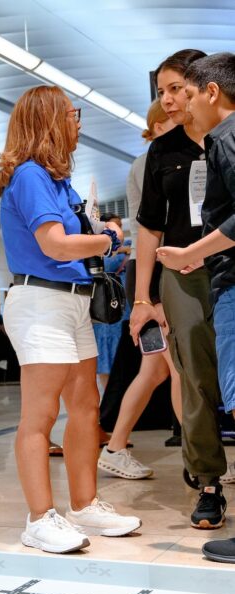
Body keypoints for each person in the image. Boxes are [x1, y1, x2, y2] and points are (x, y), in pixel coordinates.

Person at [0, 85, 141, 554]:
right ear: (50, 120)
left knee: (85, 407)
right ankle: (39, 518)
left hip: (74, 301)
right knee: (39, 415)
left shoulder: (58, 181)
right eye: (72, 114)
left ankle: (84, 503)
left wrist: (100, 235)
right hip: (41, 302)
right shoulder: (31, 176)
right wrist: (109, 241)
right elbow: (54, 244)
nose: (78, 122)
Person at [130, 49, 231, 529]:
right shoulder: (162, 152)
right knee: (193, 379)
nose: (168, 100)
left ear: (201, 89)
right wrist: (142, 298)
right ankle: (208, 481)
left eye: (176, 89)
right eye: (161, 92)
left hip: (230, 265)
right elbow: (148, 228)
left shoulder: (225, 139)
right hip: (183, 276)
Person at [156, 52, 235, 560]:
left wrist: (192, 252)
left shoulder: (226, 138)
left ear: (209, 92)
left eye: (186, 91)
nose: (178, 102)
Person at [98, 101, 180, 480]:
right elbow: (153, 229)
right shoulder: (154, 160)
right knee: (175, 371)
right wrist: (154, 297)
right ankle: (203, 460)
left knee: (156, 373)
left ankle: (115, 447)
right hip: (154, 274)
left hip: (153, 273)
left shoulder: (156, 157)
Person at [92, 214, 128, 393]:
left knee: (121, 356)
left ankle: (115, 398)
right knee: (105, 358)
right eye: (115, 225)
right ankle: (108, 398)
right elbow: (101, 265)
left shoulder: (127, 244)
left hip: (124, 308)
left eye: (120, 224)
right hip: (105, 307)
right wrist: (122, 250)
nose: (119, 228)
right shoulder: (97, 245)